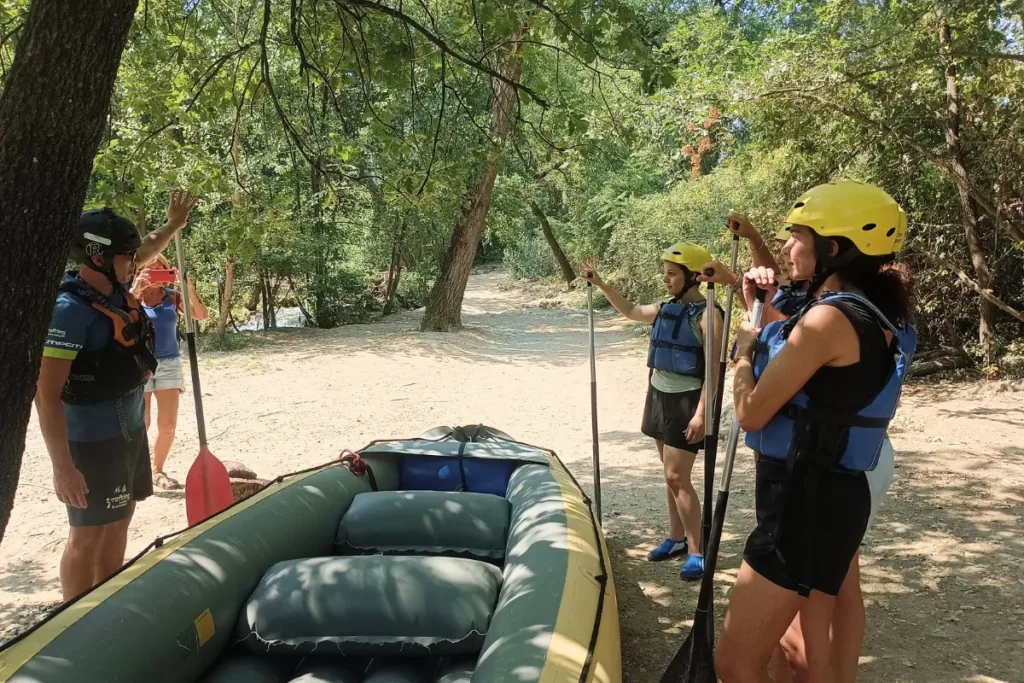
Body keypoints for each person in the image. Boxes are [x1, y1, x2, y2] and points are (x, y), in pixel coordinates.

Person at [713, 180, 916, 683]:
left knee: (736, 665)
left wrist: (743, 348)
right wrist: (760, 302)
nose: (785, 247)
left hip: (802, 503)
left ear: (833, 248)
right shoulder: (874, 313)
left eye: (796, 236)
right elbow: (806, 335)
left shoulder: (829, 318)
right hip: (835, 495)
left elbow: (753, 413)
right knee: (801, 650)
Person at [36, 191, 199, 601]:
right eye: (127, 257)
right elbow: (46, 395)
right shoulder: (69, 311)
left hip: (128, 434)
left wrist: (174, 224)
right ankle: (73, 615)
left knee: (121, 520)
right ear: (97, 258)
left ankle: (105, 601)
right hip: (90, 442)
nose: (137, 262)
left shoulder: (113, 288)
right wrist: (62, 467)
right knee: (87, 535)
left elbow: (148, 248)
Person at [581, 243, 723, 581]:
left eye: (672, 273)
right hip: (659, 395)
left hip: (687, 402)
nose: (666, 278)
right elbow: (630, 310)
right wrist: (600, 283)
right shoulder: (664, 308)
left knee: (678, 476)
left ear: (691, 277)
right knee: (668, 475)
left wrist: (702, 414)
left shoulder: (708, 315)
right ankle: (675, 538)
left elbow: (714, 373)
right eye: (665, 272)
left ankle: (696, 551)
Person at [132, 254, 208, 490]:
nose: (155, 274)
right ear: (140, 270)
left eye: (160, 269)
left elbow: (201, 315)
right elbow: (119, 315)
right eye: (150, 269)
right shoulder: (129, 296)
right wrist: (135, 290)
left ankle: (157, 471)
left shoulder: (172, 297)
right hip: (138, 364)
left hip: (169, 364)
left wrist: (188, 288)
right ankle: (136, 471)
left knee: (167, 425)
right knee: (140, 423)